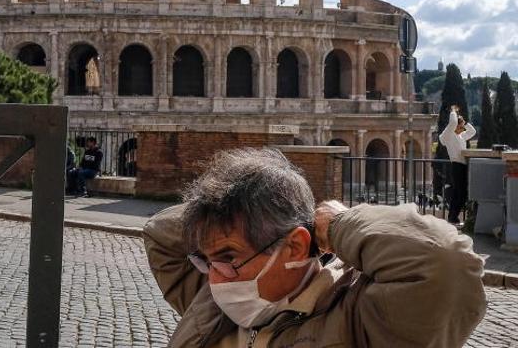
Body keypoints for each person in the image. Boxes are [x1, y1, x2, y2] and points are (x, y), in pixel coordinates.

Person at [143, 148, 486, 348]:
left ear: (294, 247)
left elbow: (445, 265)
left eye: (229, 257)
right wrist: (222, 211)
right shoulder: (216, 299)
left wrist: (338, 224)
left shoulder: (360, 315)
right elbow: (160, 233)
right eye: (207, 261)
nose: (215, 280)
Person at [439, 106, 477, 225]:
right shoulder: (448, 135)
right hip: (456, 165)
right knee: (460, 192)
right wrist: (453, 111)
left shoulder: (460, 136)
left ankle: (452, 217)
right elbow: (453, 122)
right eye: (460, 127)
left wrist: (465, 123)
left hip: (462, 166)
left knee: (459, 192)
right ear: (455, 126)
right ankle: (453, 217)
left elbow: (473, 132)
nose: (462, 129)